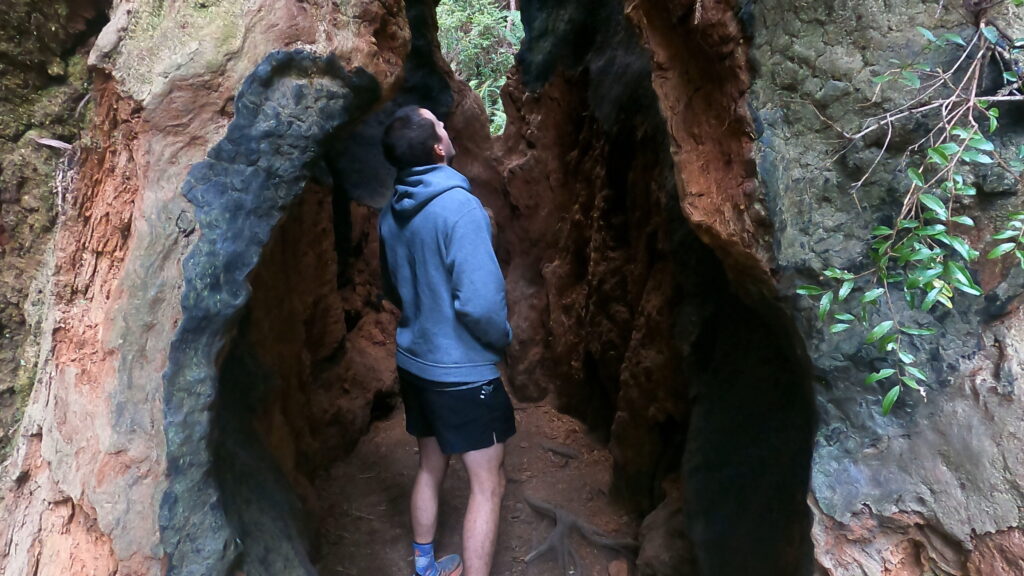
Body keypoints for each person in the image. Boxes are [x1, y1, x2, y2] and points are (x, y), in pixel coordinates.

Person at [379, 105, 516, 576]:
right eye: (440, 124)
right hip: (462, 372)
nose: (447, 127)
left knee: (430, 466)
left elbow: (392, 286)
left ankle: (426, 565)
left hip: (415, 360)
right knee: (488, 485)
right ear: (438, 148)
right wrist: (501, 340)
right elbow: (480, 303)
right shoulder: (460, 208)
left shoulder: (391, 212)